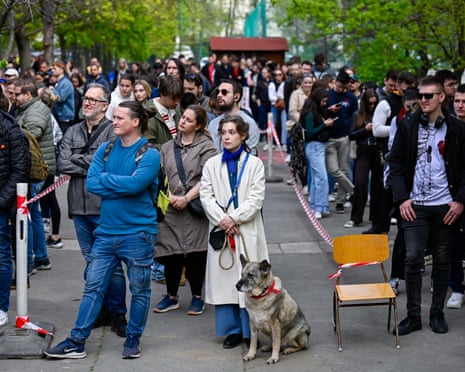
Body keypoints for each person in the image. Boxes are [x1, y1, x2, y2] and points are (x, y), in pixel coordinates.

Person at [43, 101, 160, 359]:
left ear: (135, 121)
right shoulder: (105, 150)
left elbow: (135, 185)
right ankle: (77, 340)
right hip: (106, 233)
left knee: (140, 289)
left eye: (119, 118)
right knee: (93, 286)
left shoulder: (150, 153)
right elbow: (93, 185)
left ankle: (133, 339)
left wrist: (110, 181)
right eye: (114, 117)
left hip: (138, 233)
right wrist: (121, 183)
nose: (114, 122)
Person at [388, 76, 465, 336]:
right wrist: (401, 198)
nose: (422, 100)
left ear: (442, 97)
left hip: (445, 206)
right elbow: (395, 164)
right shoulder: (407, 125)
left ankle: (437, 313)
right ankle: (413, 316)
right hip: (415, 206)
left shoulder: (457, 128)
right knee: (412, 259)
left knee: (443, 260)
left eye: (428, 96)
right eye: (420, 96)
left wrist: (460, 201)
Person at [56, 83, 128, 337]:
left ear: (105, 106)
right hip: (78, 207)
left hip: (104, 207)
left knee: (113, 265)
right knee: (92, 262)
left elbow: (108, 162)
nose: (86, 103)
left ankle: (118, 312)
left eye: (93, 100)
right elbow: (61, 162)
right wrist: (89, 163)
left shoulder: (112, 132)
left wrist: (82, 163)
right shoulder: (73, 131)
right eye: (85, 98)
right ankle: (103, 311)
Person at [200, 114, 269, 349]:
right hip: (223, 229)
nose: (227, 137)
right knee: (225, 279)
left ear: (242, 135)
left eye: (232, 132)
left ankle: (253, 330)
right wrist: (222, 220)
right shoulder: (211, 164)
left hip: (246, 229)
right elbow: (206, 196)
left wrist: (235, 218)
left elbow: (256, 198)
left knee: (250, 278)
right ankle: (231, 331)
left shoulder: (255, 164)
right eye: (224, 132)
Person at [153, 105, 217, 315]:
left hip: (195, 206)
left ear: (198, 125)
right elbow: (161, 173)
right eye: (183, 118)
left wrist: (187, 198)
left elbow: (209, 177)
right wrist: (170, 196)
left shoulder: (206, 147)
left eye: (189, 120)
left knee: (195, 254)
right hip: (171, 206)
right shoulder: (168, 147)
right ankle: (171, 295)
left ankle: (197, 296)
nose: (183, 122)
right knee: (171, 252)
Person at [365, 70, 416, 234]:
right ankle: (380, 225)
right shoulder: (387, 103)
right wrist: (398, 130)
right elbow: (377, 129)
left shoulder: (417, 102)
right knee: (384, 191)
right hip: (390, 152)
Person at [14, 78, 55, 270]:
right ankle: (41, 257)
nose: (13, 98)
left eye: (17, 94)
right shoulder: (28, 109)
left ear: (27, 95)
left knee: (26, 216)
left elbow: (31, 136)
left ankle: (28, 261)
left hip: (34, 171)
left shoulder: (35, 111)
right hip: (36, 169)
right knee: (34, 214)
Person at [0, 91, 30, 326]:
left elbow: (20, 169)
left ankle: (1, 308)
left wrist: (2, 201)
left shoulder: (10, 130)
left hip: (2, 203)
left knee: (1, 255)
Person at [344, 89, 382, 227]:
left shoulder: (380, 114)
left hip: (377, 150)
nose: (372, 106)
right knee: (360, 183)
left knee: (378, 186)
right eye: (370, 104)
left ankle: (376, 216)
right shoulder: (358, 115)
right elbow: (351, 135)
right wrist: (365, 129)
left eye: (374, 103)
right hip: (363, 150)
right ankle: (356, 217)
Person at [325, 69, 358, 214]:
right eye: (338, 86)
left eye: (342, 87)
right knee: (334, 170)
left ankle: (341, 200)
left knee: (344, 168)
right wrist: (329, 110)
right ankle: (353, 191)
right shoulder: (328, 95)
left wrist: (351, 133)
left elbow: (354, 115)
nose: (340, 89)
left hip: (344, 136)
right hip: (329, 137)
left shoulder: (350, 98)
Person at [445, 83, 465, 309]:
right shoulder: (447, 126)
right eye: (457, 101)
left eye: (464, 102)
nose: (460, 106)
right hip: (449, 194)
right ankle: (456, 287)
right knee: (452, 244)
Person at [301, 88, 335, 219]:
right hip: (314, 146)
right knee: (322, 178)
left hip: (319, 146)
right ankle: (319, 206)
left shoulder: (317, 111)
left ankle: (317, 206)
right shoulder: (310, 114)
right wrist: (324, 125)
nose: (325, 103)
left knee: (317, 178)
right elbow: (310, 133)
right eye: (324, 101)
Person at [208, 79, 260, 155]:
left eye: (224, 92)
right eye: (217, 92)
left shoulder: (248, 123)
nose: (219, 95)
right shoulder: (213, 123)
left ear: (236, 97)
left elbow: (250, 156)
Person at [50, 61, 75, 133]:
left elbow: (61, 98)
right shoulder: (59, 82)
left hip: (65, 117)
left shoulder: (66, 83)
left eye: (54, 68)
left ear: (61, 69)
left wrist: (52, 90)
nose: (52, 70)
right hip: (59, 116)